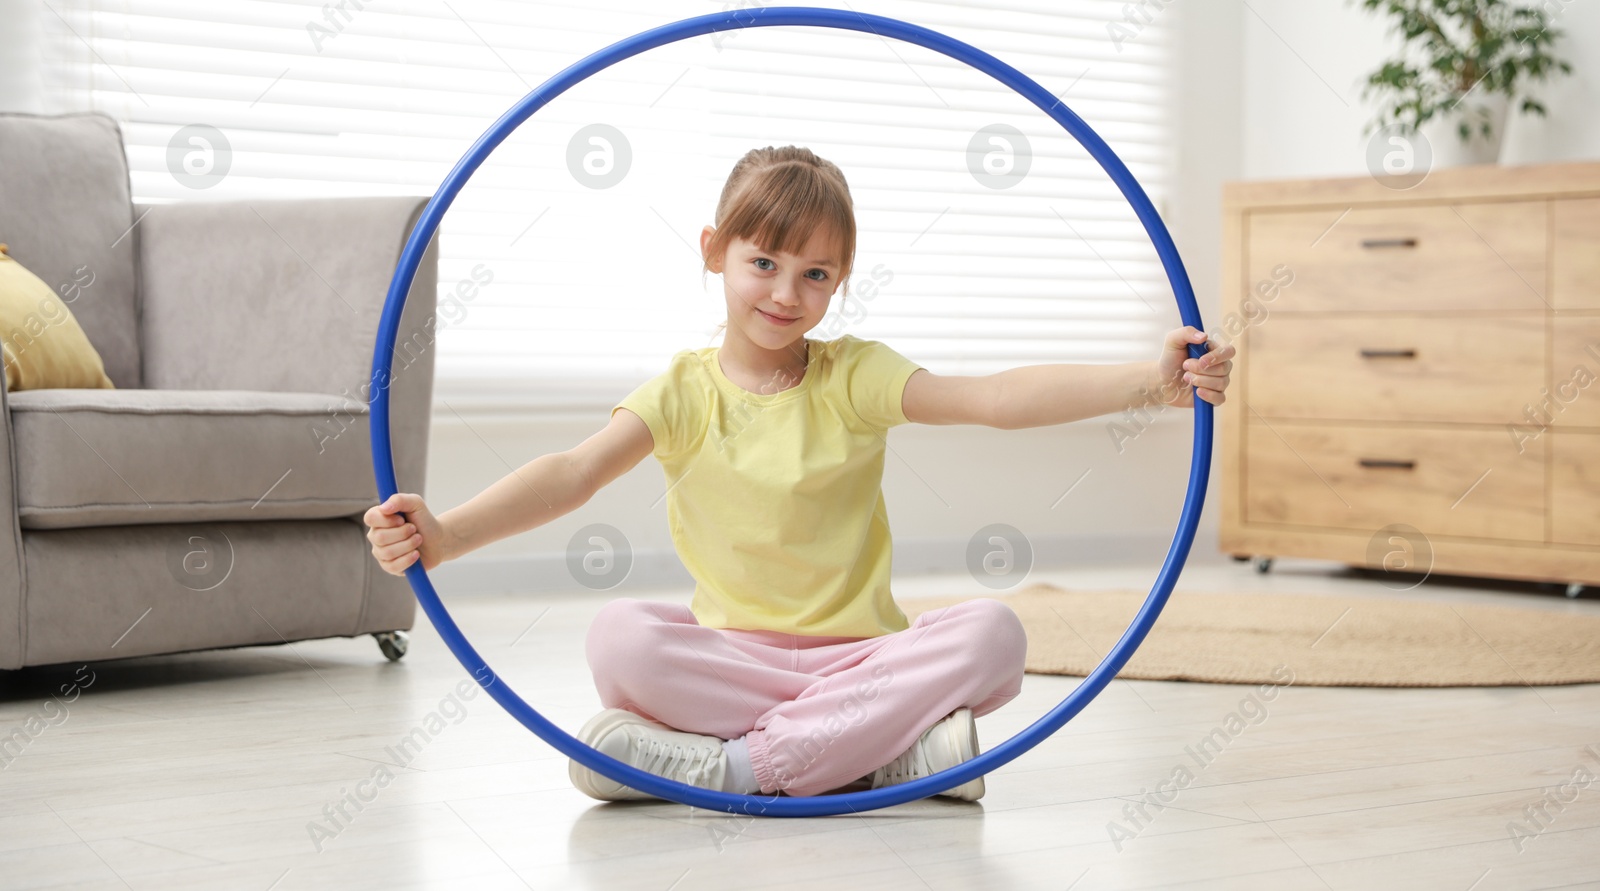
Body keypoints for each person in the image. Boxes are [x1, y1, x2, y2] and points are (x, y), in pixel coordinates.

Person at [365, 145, 1236, 803]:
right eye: (764, 263)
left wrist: (1150, 383)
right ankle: (882, 756)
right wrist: (447, 534)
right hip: (734, 660)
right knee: (619, 637)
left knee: (993, 635)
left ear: (840, 282)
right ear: (715, 251)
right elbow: (572, 472)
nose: (786, 293)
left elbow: (994, 397)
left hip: (863, 657)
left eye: (816, 274)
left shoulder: (852, 375)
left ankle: (735, 767)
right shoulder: (680, 392)